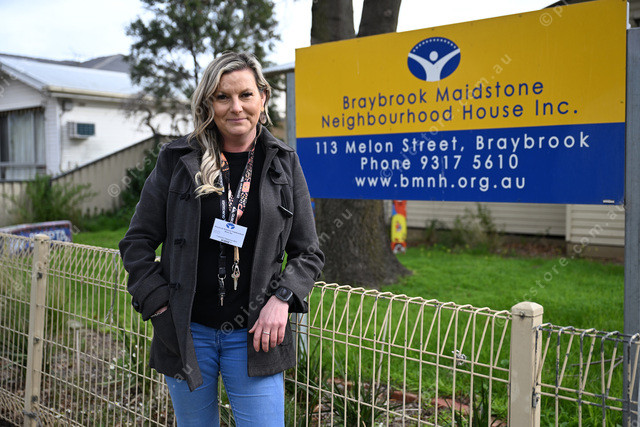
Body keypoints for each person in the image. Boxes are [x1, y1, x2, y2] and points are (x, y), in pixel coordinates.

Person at [118, 51, 324, 426]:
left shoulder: (284, 162)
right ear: (208, 103)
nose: (236, 107)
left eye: (245, 95)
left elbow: (308, 252)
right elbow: (137, 242)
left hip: (255, 334)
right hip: (187, 332)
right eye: (222, 97)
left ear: (263, 97)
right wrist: (159, 306)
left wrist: (283, 299)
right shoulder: (177, 159)